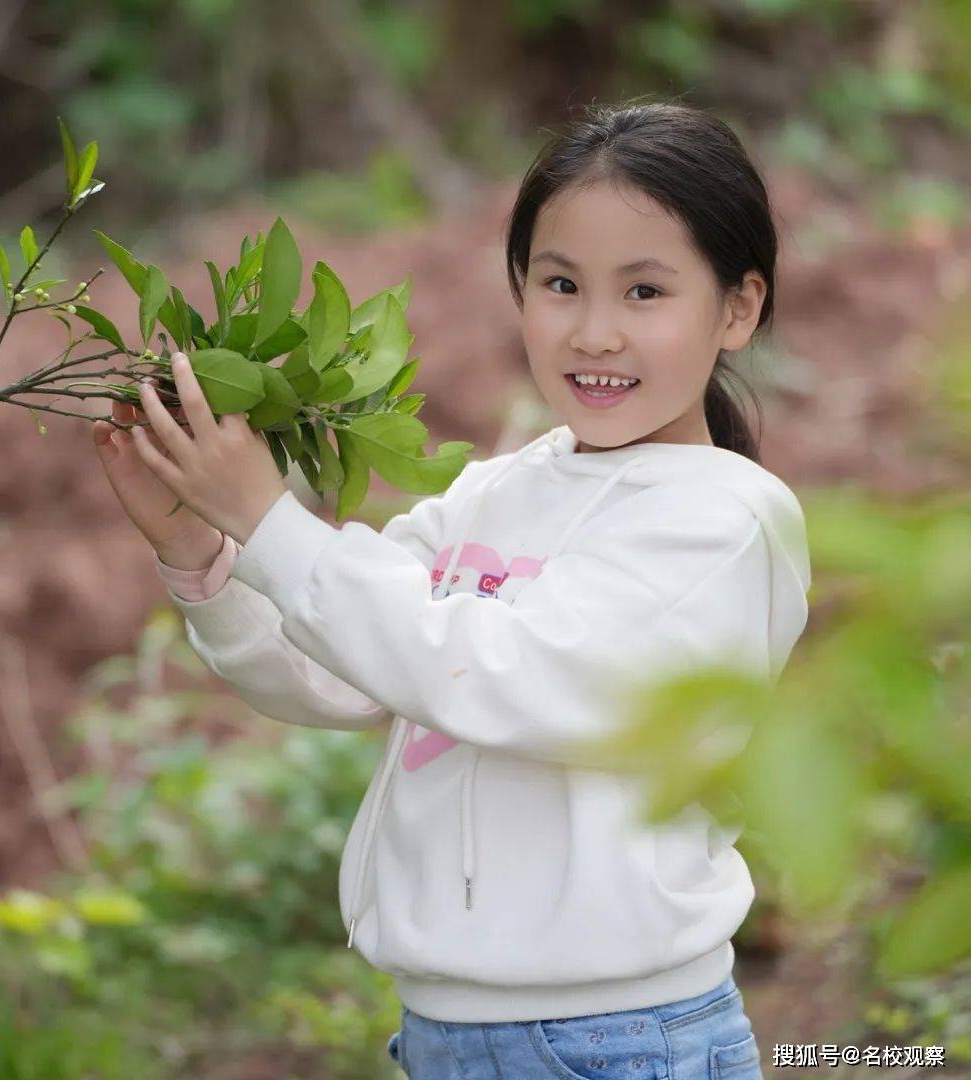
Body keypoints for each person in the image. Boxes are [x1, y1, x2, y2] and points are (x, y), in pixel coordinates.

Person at [93, 97, 811, 1079]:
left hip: (621, 1040)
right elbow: (340, 671)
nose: (595, 332)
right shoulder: (491, 495)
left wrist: (271, 522)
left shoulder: (727, 520)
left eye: (645, 293)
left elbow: (497, 670)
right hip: (442, 1037)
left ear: (738, 307)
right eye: (560, 285)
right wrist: (200, 549)